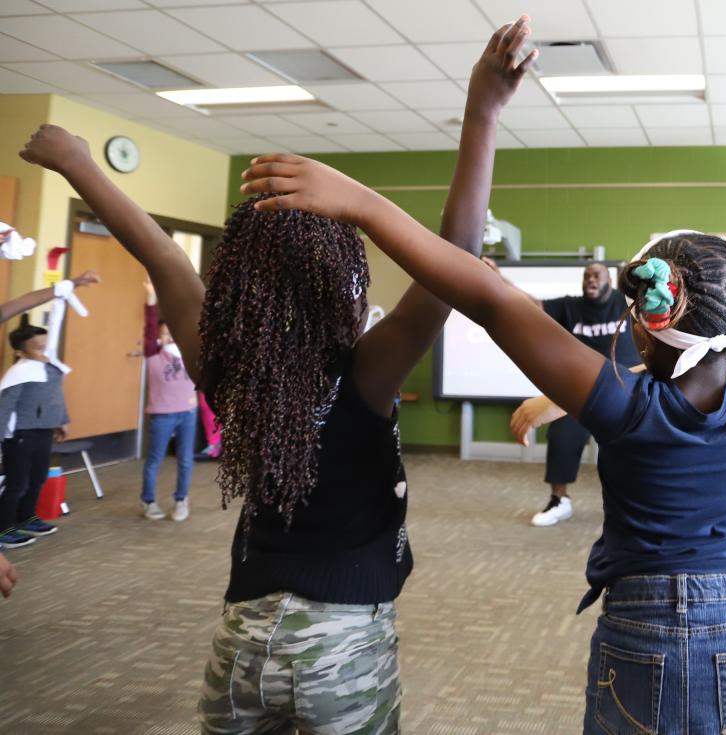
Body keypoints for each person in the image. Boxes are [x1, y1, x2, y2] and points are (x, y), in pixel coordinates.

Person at [239, 116, 726, 727]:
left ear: (647, 319)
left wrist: (364, 206)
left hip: (640, 633)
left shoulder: (624, 404)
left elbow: (489, 295)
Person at [20, 17, 535, 732]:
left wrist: (79, 163)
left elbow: (165, 258)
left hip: (243, 639)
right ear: (343, 287)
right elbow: (456, 256)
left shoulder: (226, 367)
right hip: (344, 644)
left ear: (241, 287)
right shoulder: (369, 373)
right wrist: (482, 110)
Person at [499, 261, 639, 527]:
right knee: (562, 437)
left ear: (609, 279)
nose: (590, 280)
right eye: (586, 276)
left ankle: (636, 505)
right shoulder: (571, 306)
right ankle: (559, 500)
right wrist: (499, 278)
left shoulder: (626, 303)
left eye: (596, 275)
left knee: (635, 448)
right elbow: (531, 305)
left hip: (625, 389)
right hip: (582, 391)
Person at [0, 272, 99, 549]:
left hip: (43, 432)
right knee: (17, 483)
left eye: (46, 346)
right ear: (21, 352)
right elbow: (5, 406)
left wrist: (62, 421)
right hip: (19, 435)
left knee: (37, 478)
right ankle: (4, 528)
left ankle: (26, 518)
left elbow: (56, 398)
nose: (45, 351)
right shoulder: (18, 373)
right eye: (38, 348)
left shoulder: (49, 369)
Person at [141, 279, 198, 521]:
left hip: (187, 412)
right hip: (163, 414)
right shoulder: (154, 353)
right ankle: (149, 502)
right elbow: (150, 325)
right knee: (154, 460)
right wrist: (152, 298)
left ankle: (181, 499)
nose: (168, 336)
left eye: (171, 333)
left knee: (185, 459)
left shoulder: (188, 352)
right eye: (164, 333)